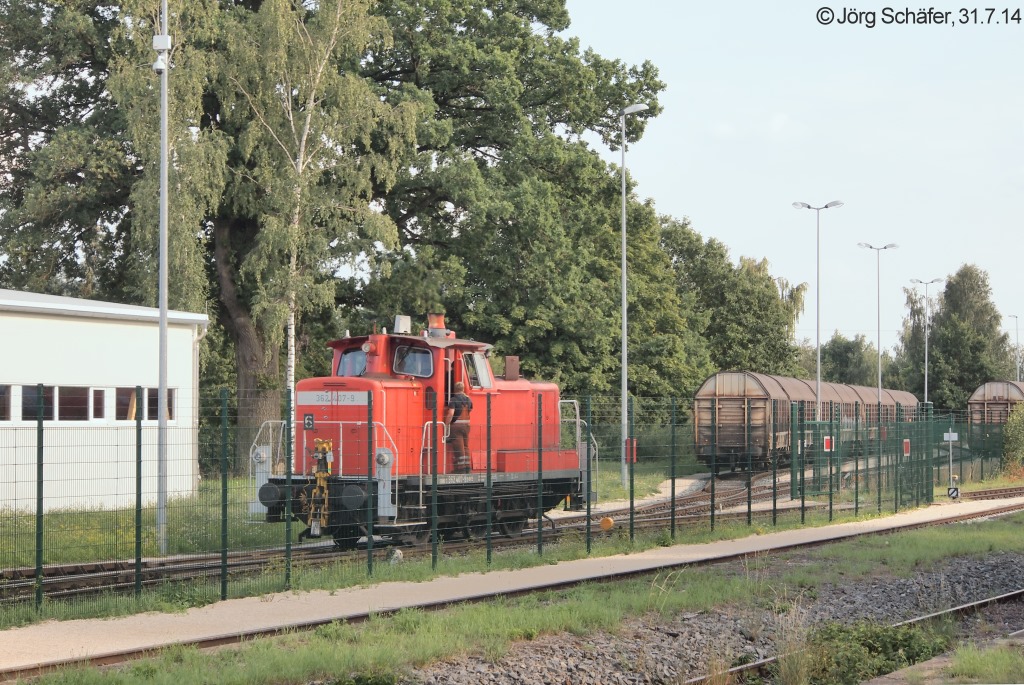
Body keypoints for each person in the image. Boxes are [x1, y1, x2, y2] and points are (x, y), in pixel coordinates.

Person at [445, 381, 473, 473]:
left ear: (455, 389)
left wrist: (447, 424)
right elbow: (470, 410)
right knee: (465, 446)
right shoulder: (468, 399)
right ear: (463, 389)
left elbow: (451, 413)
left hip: (456, 426)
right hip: (467, 426)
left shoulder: (453, 400)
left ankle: (460, 469)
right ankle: (467, 467)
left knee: (458, 447)